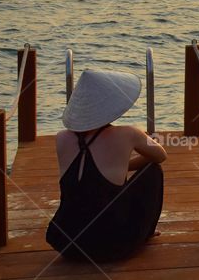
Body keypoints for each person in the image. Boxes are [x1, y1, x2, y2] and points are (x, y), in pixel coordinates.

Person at [46, 69, 167, 262]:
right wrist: (124, 164)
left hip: (66, 244)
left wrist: (118, 166)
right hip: (111, 246)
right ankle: (147, 232)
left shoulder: (62, 138)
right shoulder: (128, 133)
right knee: (152, 170)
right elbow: (160, 155)